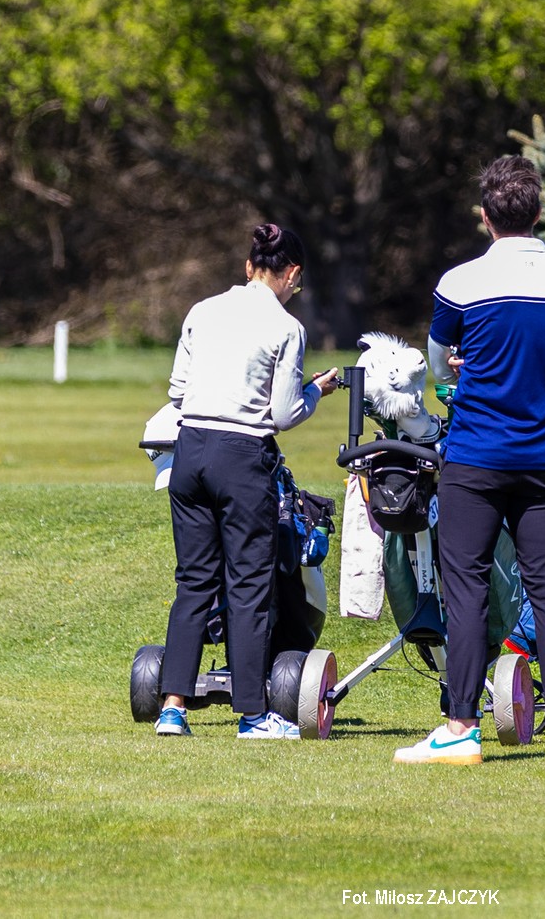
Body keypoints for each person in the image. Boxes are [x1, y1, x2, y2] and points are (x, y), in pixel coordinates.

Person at [393, 155, 545, 768]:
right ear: (539, 212)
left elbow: (438, 365)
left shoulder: (460, 283)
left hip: (475, 457)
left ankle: (461, 726)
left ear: (485, 217)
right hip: (543, 458)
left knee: (466, 588)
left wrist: (465, 372)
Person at [156, 224, 341, 740]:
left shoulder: (202, 310)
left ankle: (173, 707)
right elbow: (283, 414)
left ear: (248, 266)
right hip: (241, 456)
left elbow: (178, 390)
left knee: (194, 581)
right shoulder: (287, 328)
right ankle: (253, 715)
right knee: (249, 586)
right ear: (292, 273)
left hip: (189, 449)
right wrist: (316, 392)